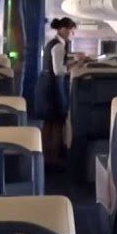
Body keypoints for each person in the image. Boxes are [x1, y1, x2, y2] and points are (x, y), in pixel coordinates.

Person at [36, 17, 77, 164]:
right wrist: (77, 63)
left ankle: (44, 156)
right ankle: (53, 158)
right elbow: (59, 70)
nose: (72, 33)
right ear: (64, 29)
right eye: (71, 30)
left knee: (49, 122)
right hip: (53, 87)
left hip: (46, 85)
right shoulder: (59, 46)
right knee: (57, 122)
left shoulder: (52, 43)